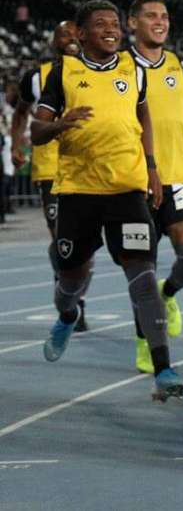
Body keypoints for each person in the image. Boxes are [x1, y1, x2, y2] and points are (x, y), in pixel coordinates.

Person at [31, 0, 183, 401]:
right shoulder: (64, 71)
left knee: (143, 277)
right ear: (81, 34)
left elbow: (143, 116)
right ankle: (67, 315)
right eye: (101, 24)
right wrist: (59, 124)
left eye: (115, 24)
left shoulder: (132, 68)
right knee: (71, 279)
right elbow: (37, 130)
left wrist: (152, 168)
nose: (111, 29)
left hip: (127, 191)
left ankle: (163, 368)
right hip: (78, 193)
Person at [122, 0, 183, 373]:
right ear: (133, 23)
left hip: (180, 176)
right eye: (150, 16)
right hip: (135, 182)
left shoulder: (181, 66)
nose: (160, 22)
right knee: (142, 269)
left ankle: (170, 292)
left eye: (164, 16)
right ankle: (146, 342)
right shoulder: (121, 68)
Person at [10, 21, 88, 329]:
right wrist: (18, 146)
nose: (69, 38)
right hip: (51, 167)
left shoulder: (98, 72)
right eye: (63, 34)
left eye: (73, 33)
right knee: (62, 237)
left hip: (89, 165)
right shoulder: (36, 77)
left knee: (84, 244)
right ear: (54, 42)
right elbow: (19, 114)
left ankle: (73, 291)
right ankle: (72, 302)